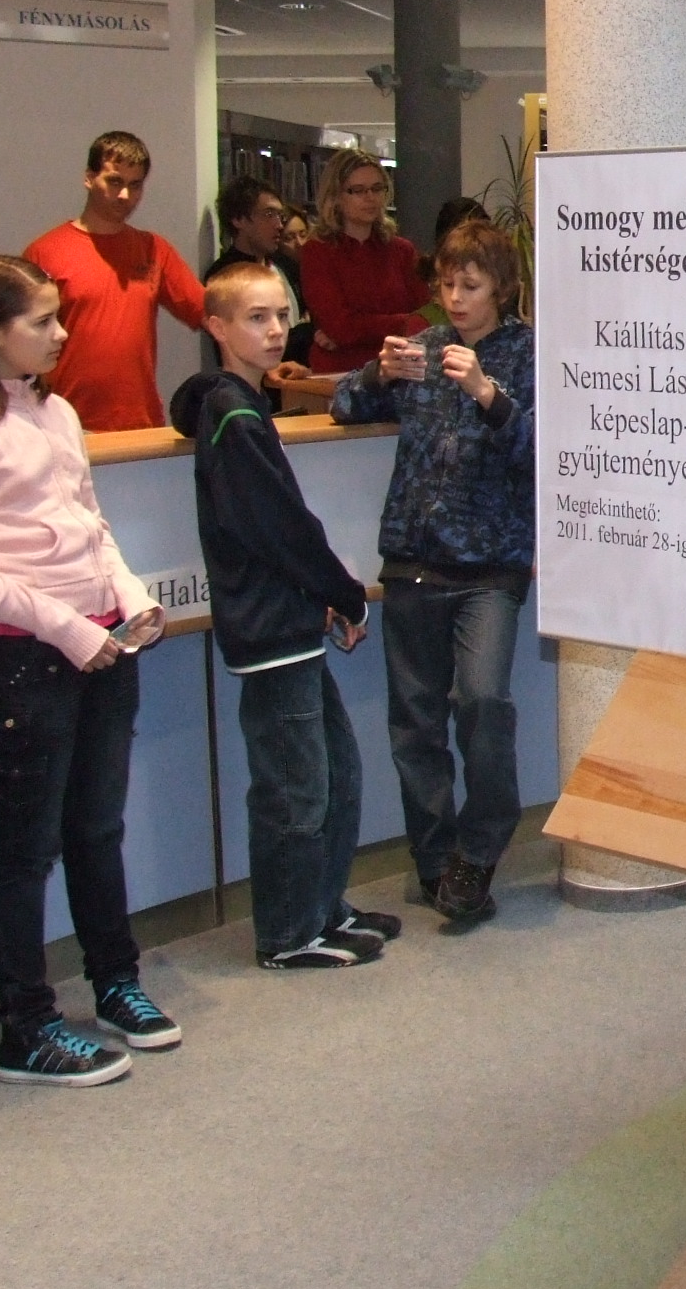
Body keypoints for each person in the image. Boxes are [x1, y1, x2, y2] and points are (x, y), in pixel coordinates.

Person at [0, 254, 178, 1087]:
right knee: (26, 849)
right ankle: (24, 1028)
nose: (61, 334)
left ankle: (116, 984)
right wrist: (67, 628)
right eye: (41, 321)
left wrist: (130, 597)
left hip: (100, 645)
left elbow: (90, 525)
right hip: (26, 659)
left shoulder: (58, 412)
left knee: (96, 829)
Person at [171, 261, 395, 969]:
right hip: (269, 627)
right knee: (296, 789)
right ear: (217, 327)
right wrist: (342, 589)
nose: (274, 331)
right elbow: (278, 527)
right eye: (255, 318)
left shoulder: (241, 404)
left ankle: (322, 907)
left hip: (289, 620)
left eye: (280, 315)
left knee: (336, 774)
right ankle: (288, 933)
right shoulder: (233, 415)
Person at [331, 219, 534, 923]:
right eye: (446, 284)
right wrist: (377, 374)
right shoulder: (423, 345)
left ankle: (479, 849)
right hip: (413, 559)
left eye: (470, 285)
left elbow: (545, 451)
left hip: (491, 565)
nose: (454, 298)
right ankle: (436, 860)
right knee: (414, 722)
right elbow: (344, 403)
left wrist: (488, 393)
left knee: (481, 701)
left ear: (501, 288)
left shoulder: (527, 354)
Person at [23, 131, 207, 432]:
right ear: (89, 178)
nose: (124, 195)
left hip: (140, 422)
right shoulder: (45, 252)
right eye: (114, 181)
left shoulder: (154, 249)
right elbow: (19, 342)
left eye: (135, 185)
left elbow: (211, 313)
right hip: (65, 423)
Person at [300, 150, 424, 376]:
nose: (370, 197)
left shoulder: (402, 250)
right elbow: (341, 328)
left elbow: (427, 317)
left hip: (400, 370)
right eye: (358, 190)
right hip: (342, 373)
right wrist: (405, 323)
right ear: (336, 196)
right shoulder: (318, 252)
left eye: (377, 188)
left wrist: (356, 331)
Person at [211, 175, 314, 372]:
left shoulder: (287, 265)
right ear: (239, 219)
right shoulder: (226, 276)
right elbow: (240, 347)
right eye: (268, 214)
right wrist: (306, 332)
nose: (279, 225)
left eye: (279, 216)